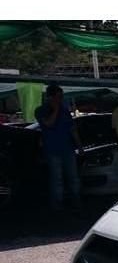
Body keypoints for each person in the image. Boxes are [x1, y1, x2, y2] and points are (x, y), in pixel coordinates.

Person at [35, 84, 83, 212]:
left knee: (73, 178)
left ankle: (76, 203)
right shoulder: (40, 110)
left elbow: (72, 129)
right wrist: (55, 109)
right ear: (50, 97)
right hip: (53, 150)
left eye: (61, 97)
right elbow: (48, 123)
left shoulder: (64, 111)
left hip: (67, 149)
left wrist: (79, 145)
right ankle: (57, 206)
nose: (60, 99)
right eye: (58, 97)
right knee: (57, 180)